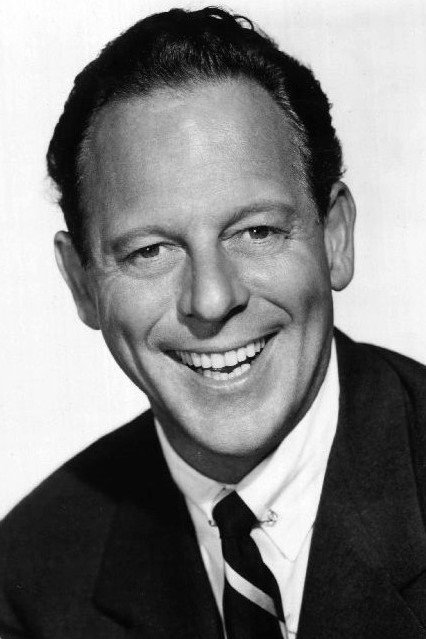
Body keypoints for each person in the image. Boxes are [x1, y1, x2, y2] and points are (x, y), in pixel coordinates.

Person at [1, 6, 426, 638]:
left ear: (335, 237)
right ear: (82, 283)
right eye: (150, 251)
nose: (211, 299)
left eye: (257, 232)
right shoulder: (28, 582)